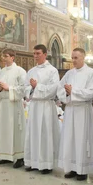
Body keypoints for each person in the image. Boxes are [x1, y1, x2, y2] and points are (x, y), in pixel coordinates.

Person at [57, 48, 93, 181]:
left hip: (83, 110)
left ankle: (82, 170)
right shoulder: (69, 73)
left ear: (83, 58)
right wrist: (68, 93)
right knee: (70, 138)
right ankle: (72, 167)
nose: (73, 60)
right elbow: (59, 89)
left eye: (76, 58)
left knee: (82, 139)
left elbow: (91, 92)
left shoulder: (91, 73)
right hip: (70, 109)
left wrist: (73, 91)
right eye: (72, 58)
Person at [24, 44, 60, 174]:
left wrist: (37, 86)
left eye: (38, 53)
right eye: (34, 53)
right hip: (34, 106)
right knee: (33, 133)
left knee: (45, 134)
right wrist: (33, 88)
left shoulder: (52, 71)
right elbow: (25, 88)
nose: (35, 56)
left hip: (46, 106)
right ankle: (32, 161)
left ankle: (46, 164)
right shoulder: (31, 71)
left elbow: (53, 89)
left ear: (45, 54)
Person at [0, 48, 27, 168]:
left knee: (15, 130)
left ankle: (19, 157)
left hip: (14, 104)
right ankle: (5, 156)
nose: (4, 58)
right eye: (3, 56)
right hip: (3, 104)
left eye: (6, 56)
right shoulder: (1, 72)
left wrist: (9, 88)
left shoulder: (20, 71)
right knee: (3, 130)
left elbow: (23, 89)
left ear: (13, 57)